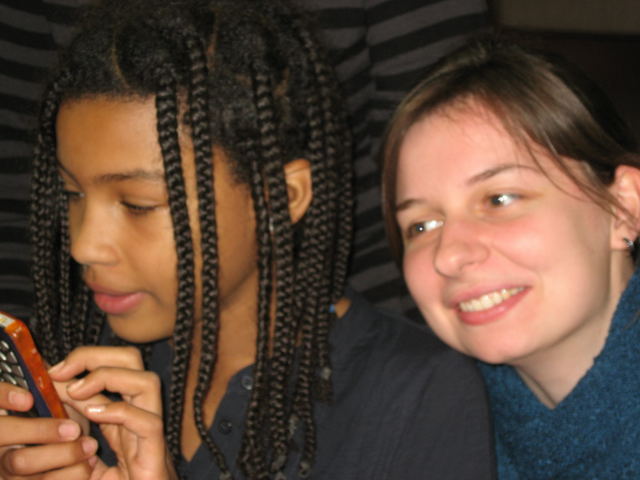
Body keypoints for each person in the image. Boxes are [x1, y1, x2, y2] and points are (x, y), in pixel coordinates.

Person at [0, 1, 494, 479]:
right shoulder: (73, 373)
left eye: (138, 204)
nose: (84, 246)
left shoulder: (417, 396)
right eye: (72, 194)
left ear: (281, 195)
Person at [381, 36, 640, 479]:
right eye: (421, 226)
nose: (450, 255)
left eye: (499, 199)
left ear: (624, 208)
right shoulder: (421, 429)